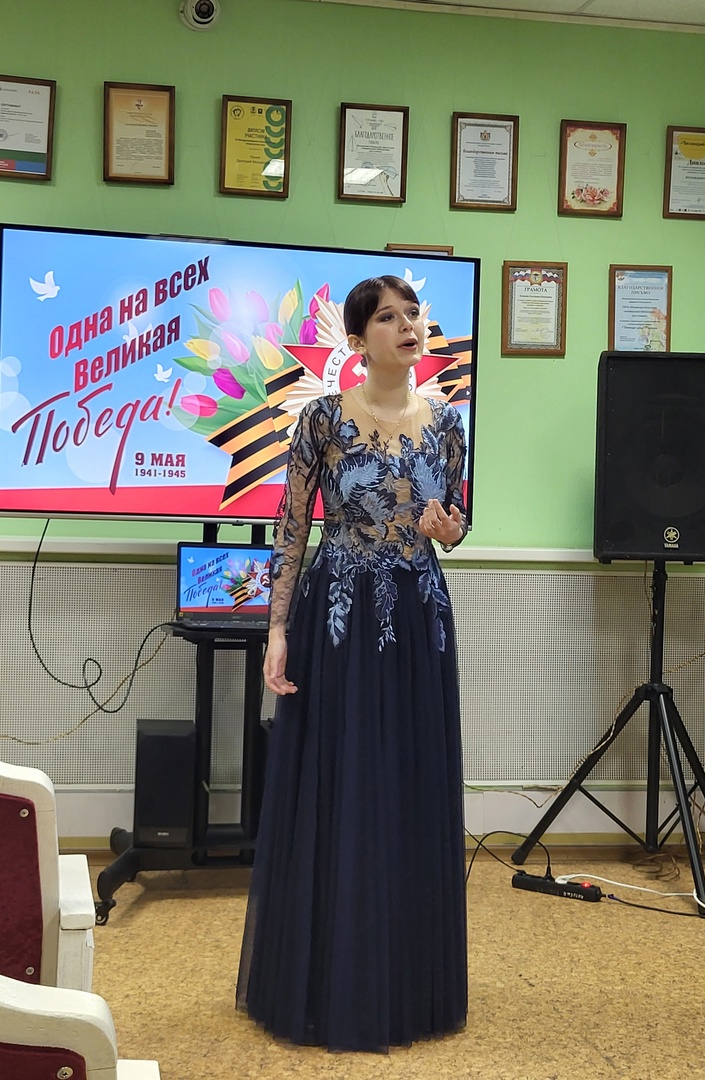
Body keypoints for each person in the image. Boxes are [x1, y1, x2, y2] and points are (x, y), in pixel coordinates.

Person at [236, 275, 468, 1052]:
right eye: (389, 318)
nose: (408, 327)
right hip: (336, 616)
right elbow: (291, 526)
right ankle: (324, 982)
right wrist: (276, 630)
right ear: (359, 340)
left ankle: (407, 984)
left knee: (407, 782)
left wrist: (449, 530)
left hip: (419, 617)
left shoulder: (448, 422)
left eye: (414, 315)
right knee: (339, 784)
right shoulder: (322, 419)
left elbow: (455, 522)